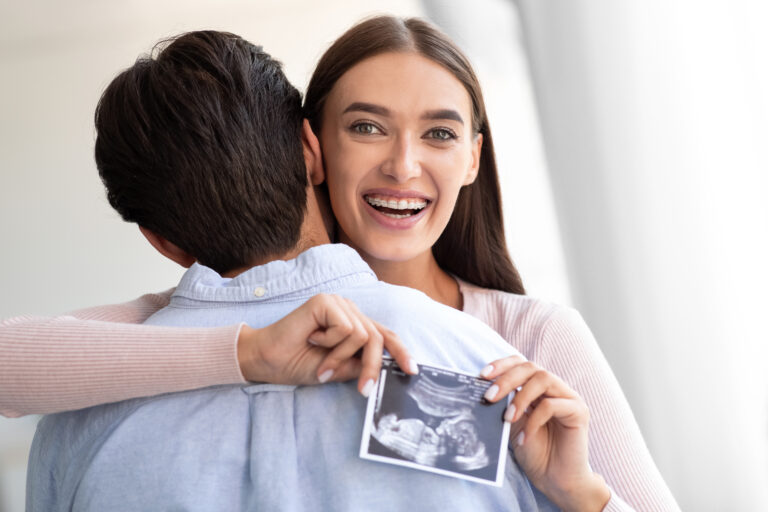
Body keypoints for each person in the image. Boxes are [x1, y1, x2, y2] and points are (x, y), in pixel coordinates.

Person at [2, 15, 681, 511]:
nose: (403, 164)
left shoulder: (517, 344)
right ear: (313, 147)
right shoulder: (159, 342)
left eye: (440, 133)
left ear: (474, 156)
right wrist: (252, 351)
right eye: (366, 126)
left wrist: (584, 495)